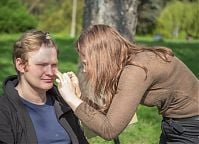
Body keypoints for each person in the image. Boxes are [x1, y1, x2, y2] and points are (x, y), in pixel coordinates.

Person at [55, 24, 199, 144]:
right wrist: (79, 97)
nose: (85, 70)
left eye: (86, 63)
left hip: (191, 128)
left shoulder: (136, 70)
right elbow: (109, 115)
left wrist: (71, 99)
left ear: (100, 58)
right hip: (177, 125)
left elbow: (109, 129)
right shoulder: (126, 62)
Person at [0, 30, 88, 144]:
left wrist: (76, 100)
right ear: (21, 65)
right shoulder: (4, 111)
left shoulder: (62, 102)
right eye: (42, 65)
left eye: (54, 65)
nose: (50, 72)